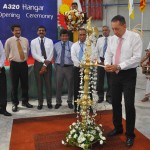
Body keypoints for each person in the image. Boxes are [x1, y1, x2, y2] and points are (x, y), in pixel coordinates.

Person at [104, 15, 142, 147]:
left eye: (117, 29)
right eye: (113, 29)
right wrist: (108, 64)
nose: (115, 32)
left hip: (128, 75)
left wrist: (119, 66)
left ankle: (130, 134)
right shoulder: (112, 39)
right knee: (115, 102)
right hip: (114, 74)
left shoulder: (134, 38)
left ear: (124, 26)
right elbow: (108, 53)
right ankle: (118, 128)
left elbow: (137, 58)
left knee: (129, 105)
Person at [5, 24, 33, 112]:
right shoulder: (9, 41)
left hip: (24, 64)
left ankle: (25, 101)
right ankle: (15, 103)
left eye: (19, 30)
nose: (18, 32)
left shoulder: (25, 40)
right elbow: (6, 53)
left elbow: (27, 51)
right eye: (16, 30)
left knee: (25, 84)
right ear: (12, 31)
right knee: (14, 85)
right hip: (14, 65)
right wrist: (12, 60)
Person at [31, 26, 53, 110]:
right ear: (37, 32)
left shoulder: (50, 41)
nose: (41, 32)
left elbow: (51, 53)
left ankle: (49, 102)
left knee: (48, 84)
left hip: (48, 64)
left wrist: (45, 64)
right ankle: (40, 103)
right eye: (39, 30)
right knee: (39, 85)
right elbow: (34, 54)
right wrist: (44, 61)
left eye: (43, 31)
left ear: (45, 32)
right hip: (38, 64)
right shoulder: (33, 42)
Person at [54, 29, 74, 109]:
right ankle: (58, 102)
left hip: (69, 67)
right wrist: (57, 66)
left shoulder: (72, 45)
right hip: (59, 67)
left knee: (70, 85)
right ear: (60, 37)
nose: (64, 37)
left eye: (66, 36)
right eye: (62, 36)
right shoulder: (56, 45)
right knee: (58, 85)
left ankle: (69, 101)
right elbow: (55, 56)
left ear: (68, 36)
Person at [95, 26, 112, 104]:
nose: (104, 31)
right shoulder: (99, 40)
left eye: (106, 30)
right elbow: (96, 51)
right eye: (103, 30)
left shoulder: (113, 39)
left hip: (110, 62)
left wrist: (109, 61)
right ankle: (100, 97)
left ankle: (109, 97)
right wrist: (99, 61)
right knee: (99, 81)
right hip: (101, 61)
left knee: (110, 80)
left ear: (109, 31)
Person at [0, 40, 11, 116]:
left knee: (2, 90)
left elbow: (3, 54)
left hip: (0, 69)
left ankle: (3, 109)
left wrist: (0, 66)